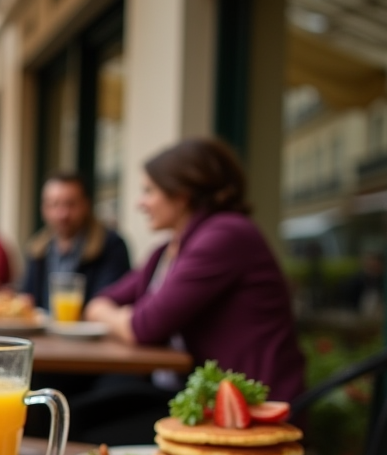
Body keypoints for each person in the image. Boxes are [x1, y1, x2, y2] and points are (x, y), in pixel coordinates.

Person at [86, 137, 305, 403]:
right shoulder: (167, 251)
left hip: (246, 408)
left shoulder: (225, 235)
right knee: (87, 403)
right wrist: (123, 316)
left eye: (149, 191)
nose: (140, 203)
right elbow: (102, 301)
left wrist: (119, 317)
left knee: (86, 416)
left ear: (180, 196)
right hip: (194, 397)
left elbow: (143, 327)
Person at [22, 172, 131, 309]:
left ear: (86, 205)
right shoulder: (37, 249)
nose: (62, 214)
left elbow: (110, 300)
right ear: (43, 209)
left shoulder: (110, 245)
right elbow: (28, 299)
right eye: (54, 205)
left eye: (70, 204)